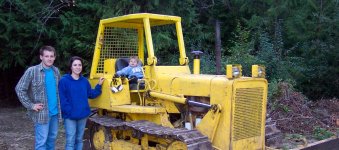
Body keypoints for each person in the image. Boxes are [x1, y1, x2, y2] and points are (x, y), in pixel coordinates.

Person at [15, 45, 61, 150]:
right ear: (41, 57)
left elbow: (59, 91)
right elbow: (19, 89)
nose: (49, 59)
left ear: (54, 57)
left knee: (51, 140)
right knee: (41, 143)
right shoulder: (32, 71)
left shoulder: (56, 71)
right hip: (41, 114)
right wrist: (31, 105)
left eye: (51, 56)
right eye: (46, 56)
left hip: (55, 113)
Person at [58, 56, 104, 150]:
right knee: (70, 141)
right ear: (71, 67)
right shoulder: (64, 81)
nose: (77, 67)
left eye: (79, 65)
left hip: (82, 115)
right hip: (70, 116)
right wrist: (69, 111)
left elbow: (91, 94)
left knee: (79, 140)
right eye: (75, 65)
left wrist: (99, 85)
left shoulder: (84, 81)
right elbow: (62, 100)